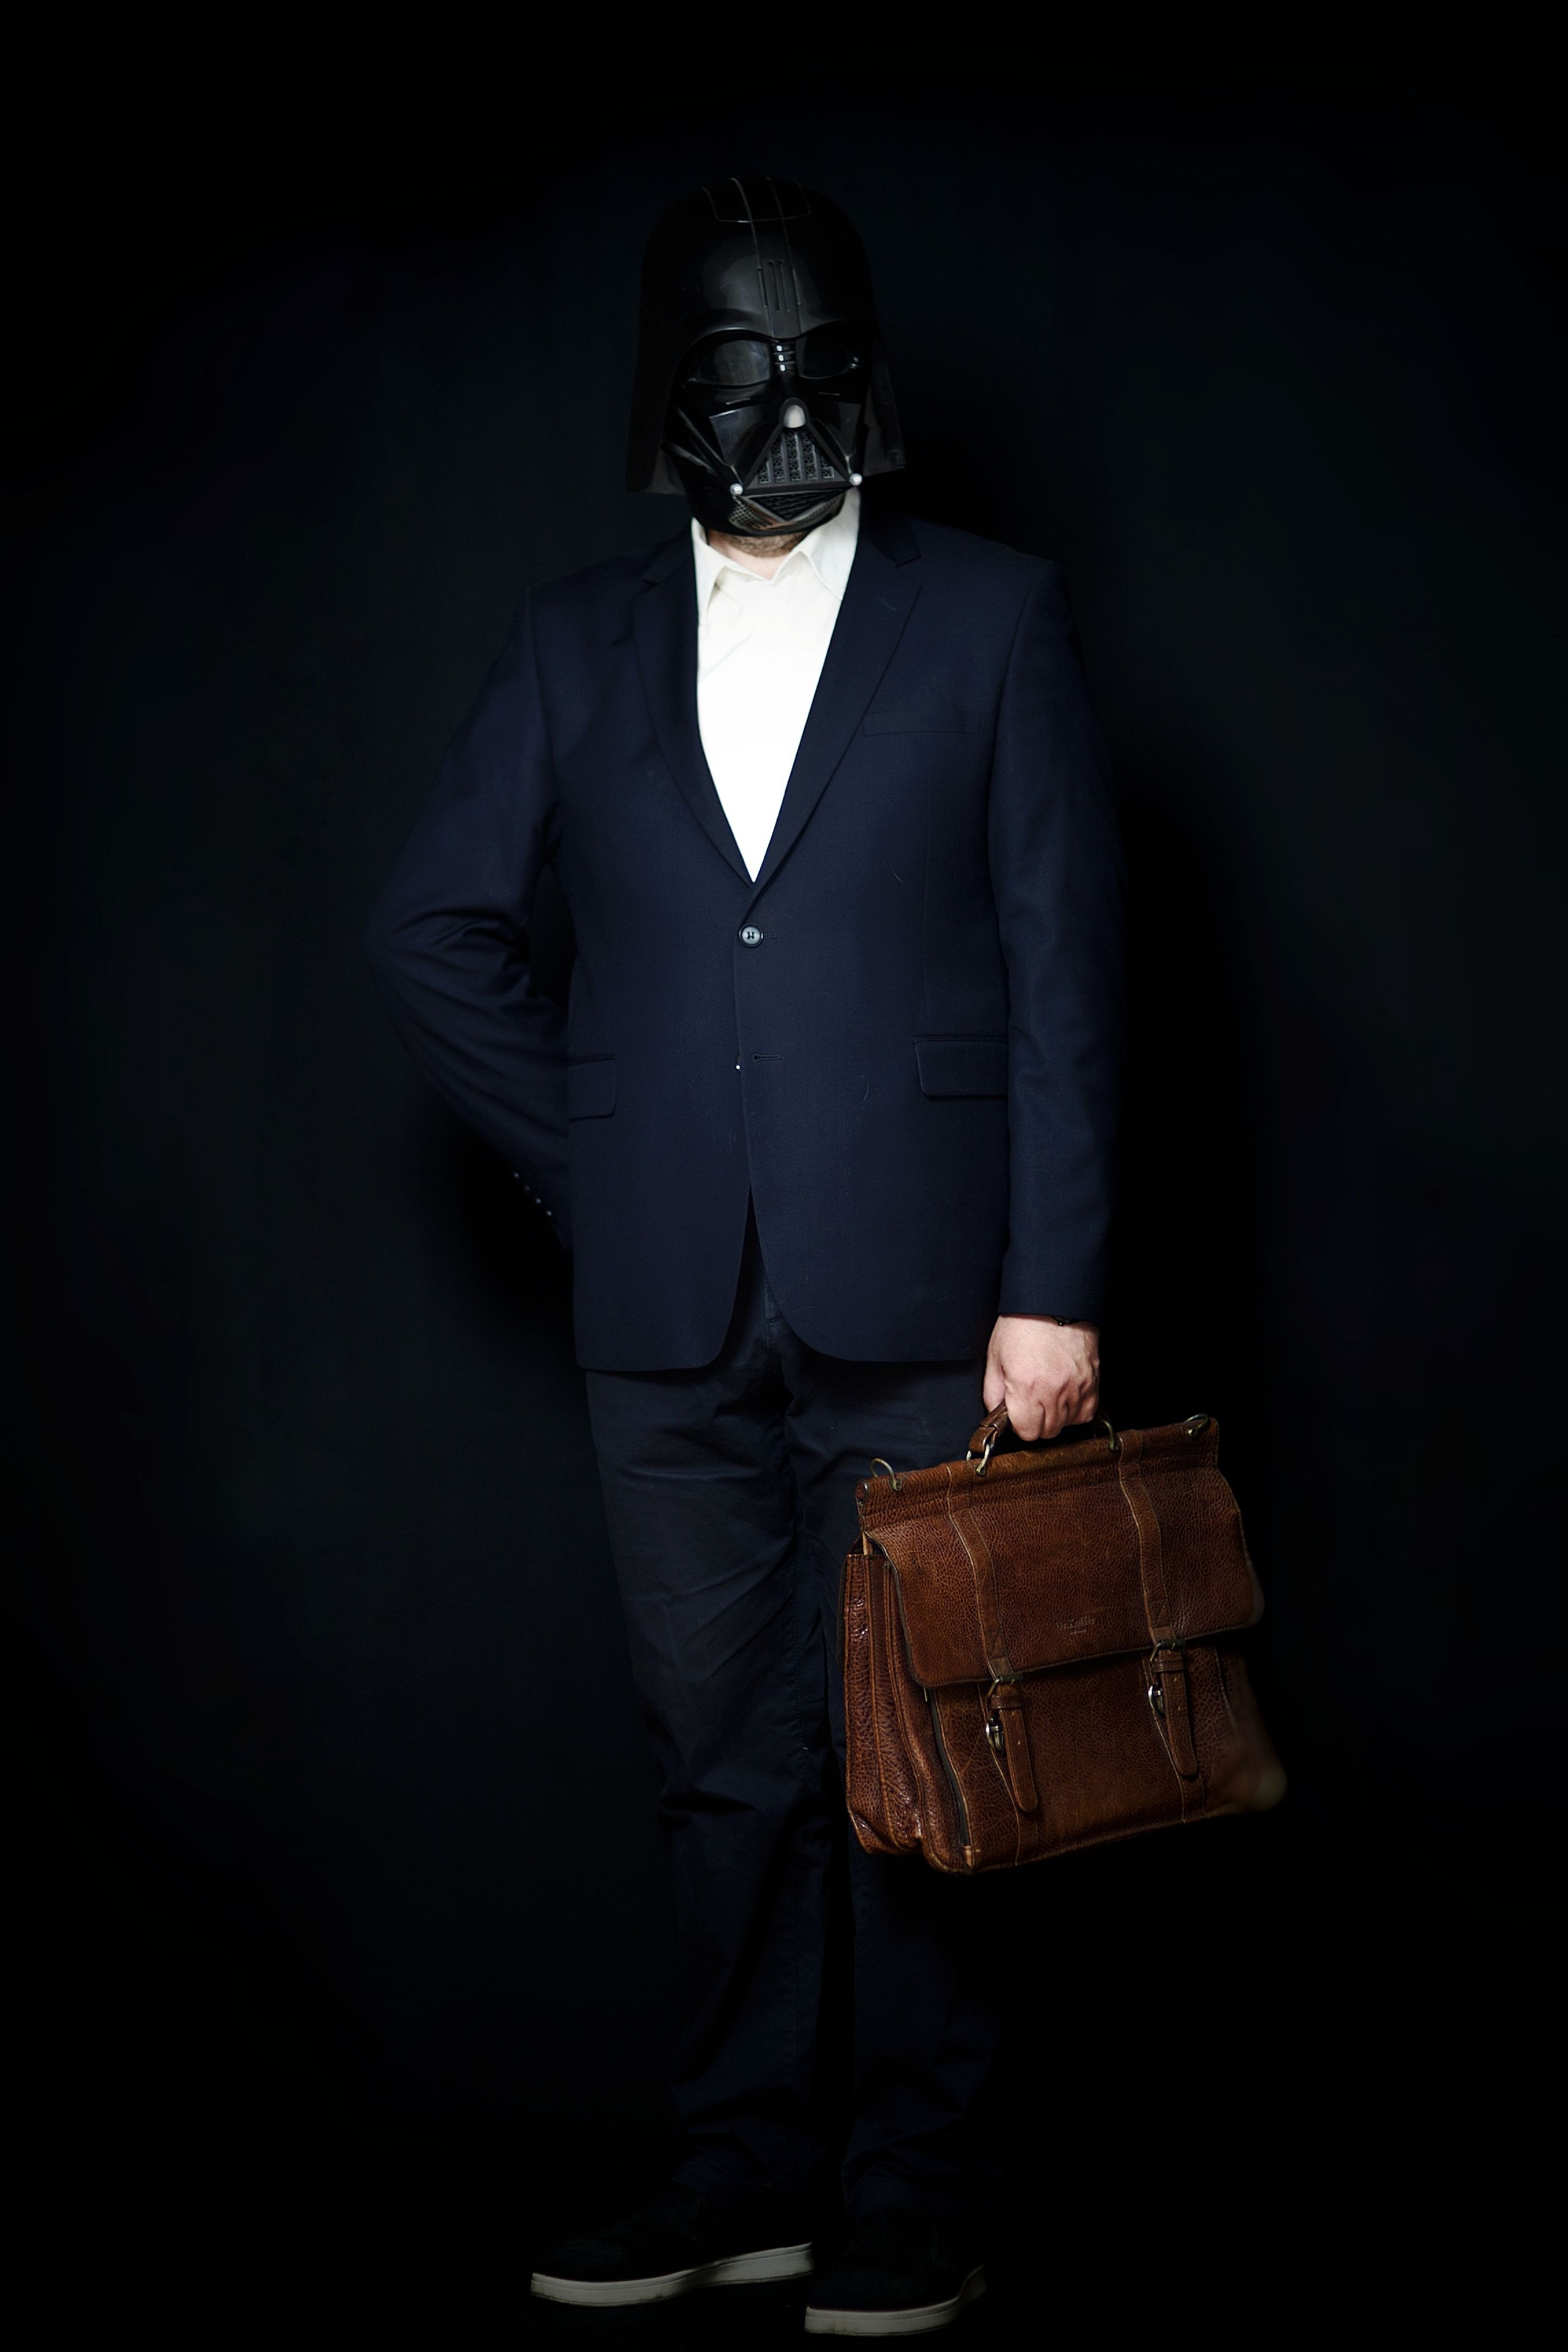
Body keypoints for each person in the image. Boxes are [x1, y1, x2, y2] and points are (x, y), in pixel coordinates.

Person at [365, 174, 1124, 2338]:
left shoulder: (993, 618)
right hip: (667, 1308)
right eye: (737, 373)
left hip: (936, 1292)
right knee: (719, 1758)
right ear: (666, 391)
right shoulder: (572, 643)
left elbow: (1067, 973)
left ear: (859, 378)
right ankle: (739, 2171)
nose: (779, 415)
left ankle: (918, 2191)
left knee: (922, 1752)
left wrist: (1054, 1281)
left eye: (812, 371)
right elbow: (430, 931)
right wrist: (606, 1167)